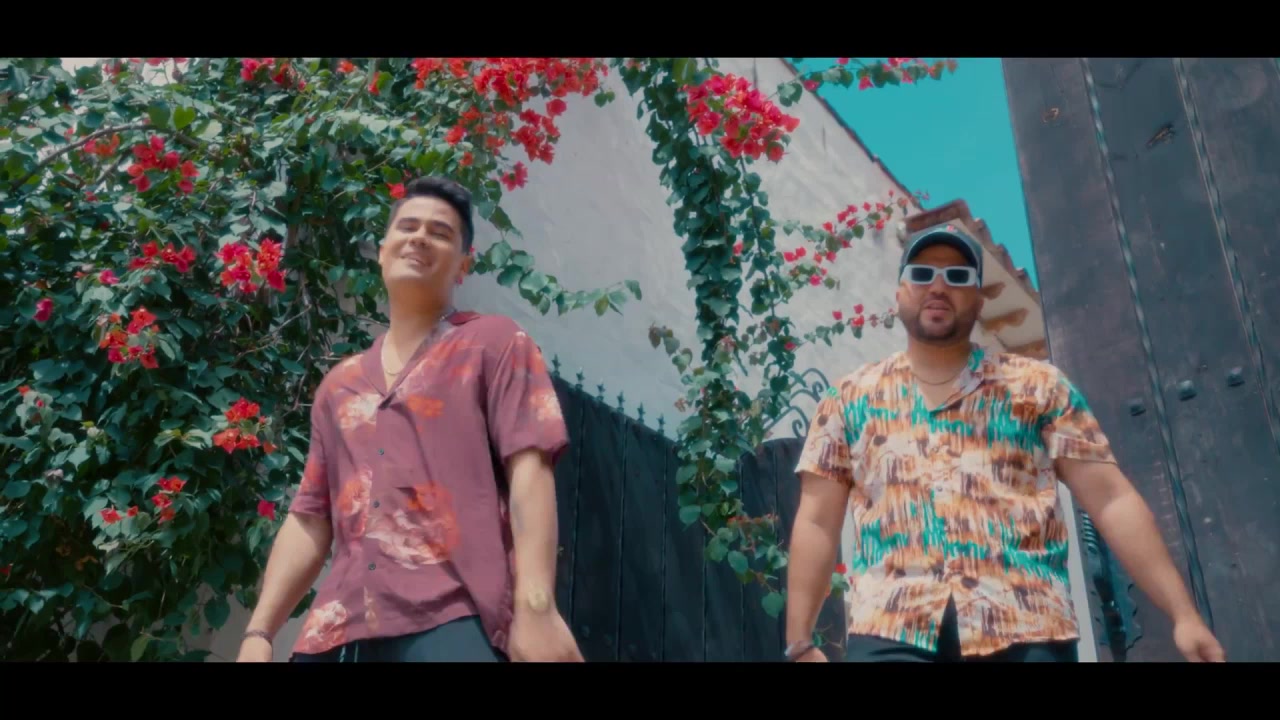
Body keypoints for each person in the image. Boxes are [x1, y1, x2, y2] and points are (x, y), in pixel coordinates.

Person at [783, 220, 1226, 663]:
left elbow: (1111, 498)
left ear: (979, 300)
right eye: (922, 273)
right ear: (899, 293)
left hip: (1025, 621)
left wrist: (1183, 615)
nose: (938, 286)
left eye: (958, 276)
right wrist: (799, 642)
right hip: (891, 625)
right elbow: (818, 521)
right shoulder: (849, 399)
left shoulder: (1038, 386)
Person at [236, 176, 583, 663]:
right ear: (382, 252)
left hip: (451, 615)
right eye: (408, 227)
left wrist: (536, 605)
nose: (419, 237)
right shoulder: (339, 386)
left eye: (440, 233)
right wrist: (259, 633)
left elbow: (530, 469)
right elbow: (310, 518)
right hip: (334, 630)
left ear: (463, 265)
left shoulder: (493, 343)